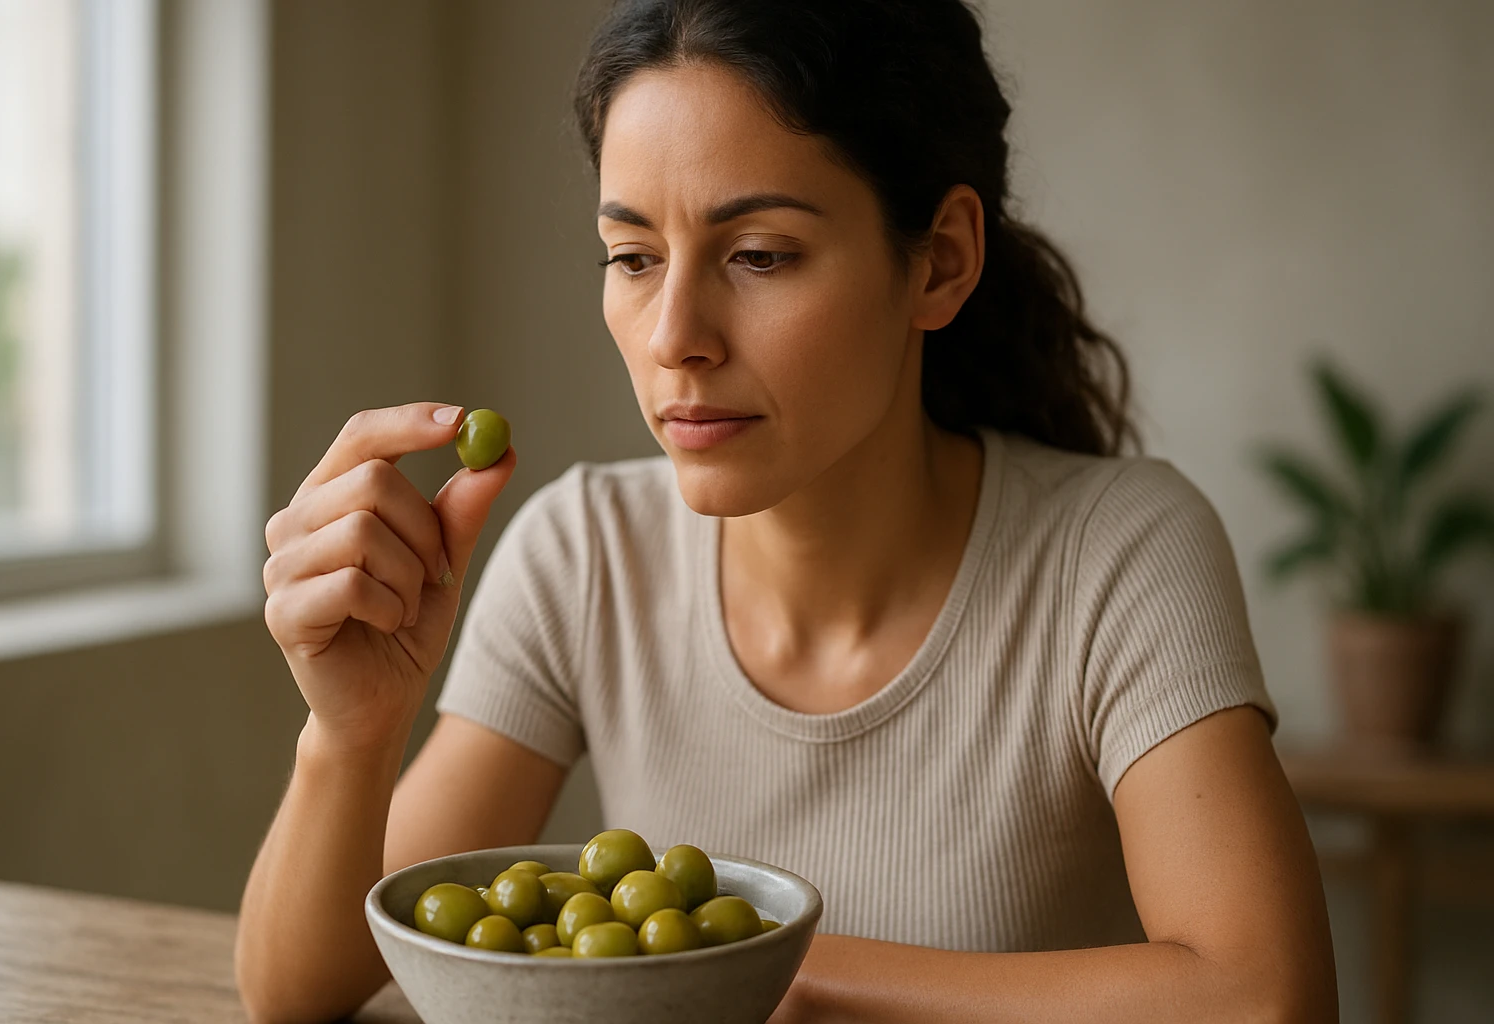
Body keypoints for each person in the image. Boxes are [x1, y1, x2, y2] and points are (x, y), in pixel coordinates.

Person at [234, 1, 1338, 1021]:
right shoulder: (584, 553)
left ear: (939, 263)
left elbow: (1262, 996)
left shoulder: (1119, 551)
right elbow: (300, 988)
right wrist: (351, 731)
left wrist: (745, 965)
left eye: (759, 255)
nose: (676, 335)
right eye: (632, 257)